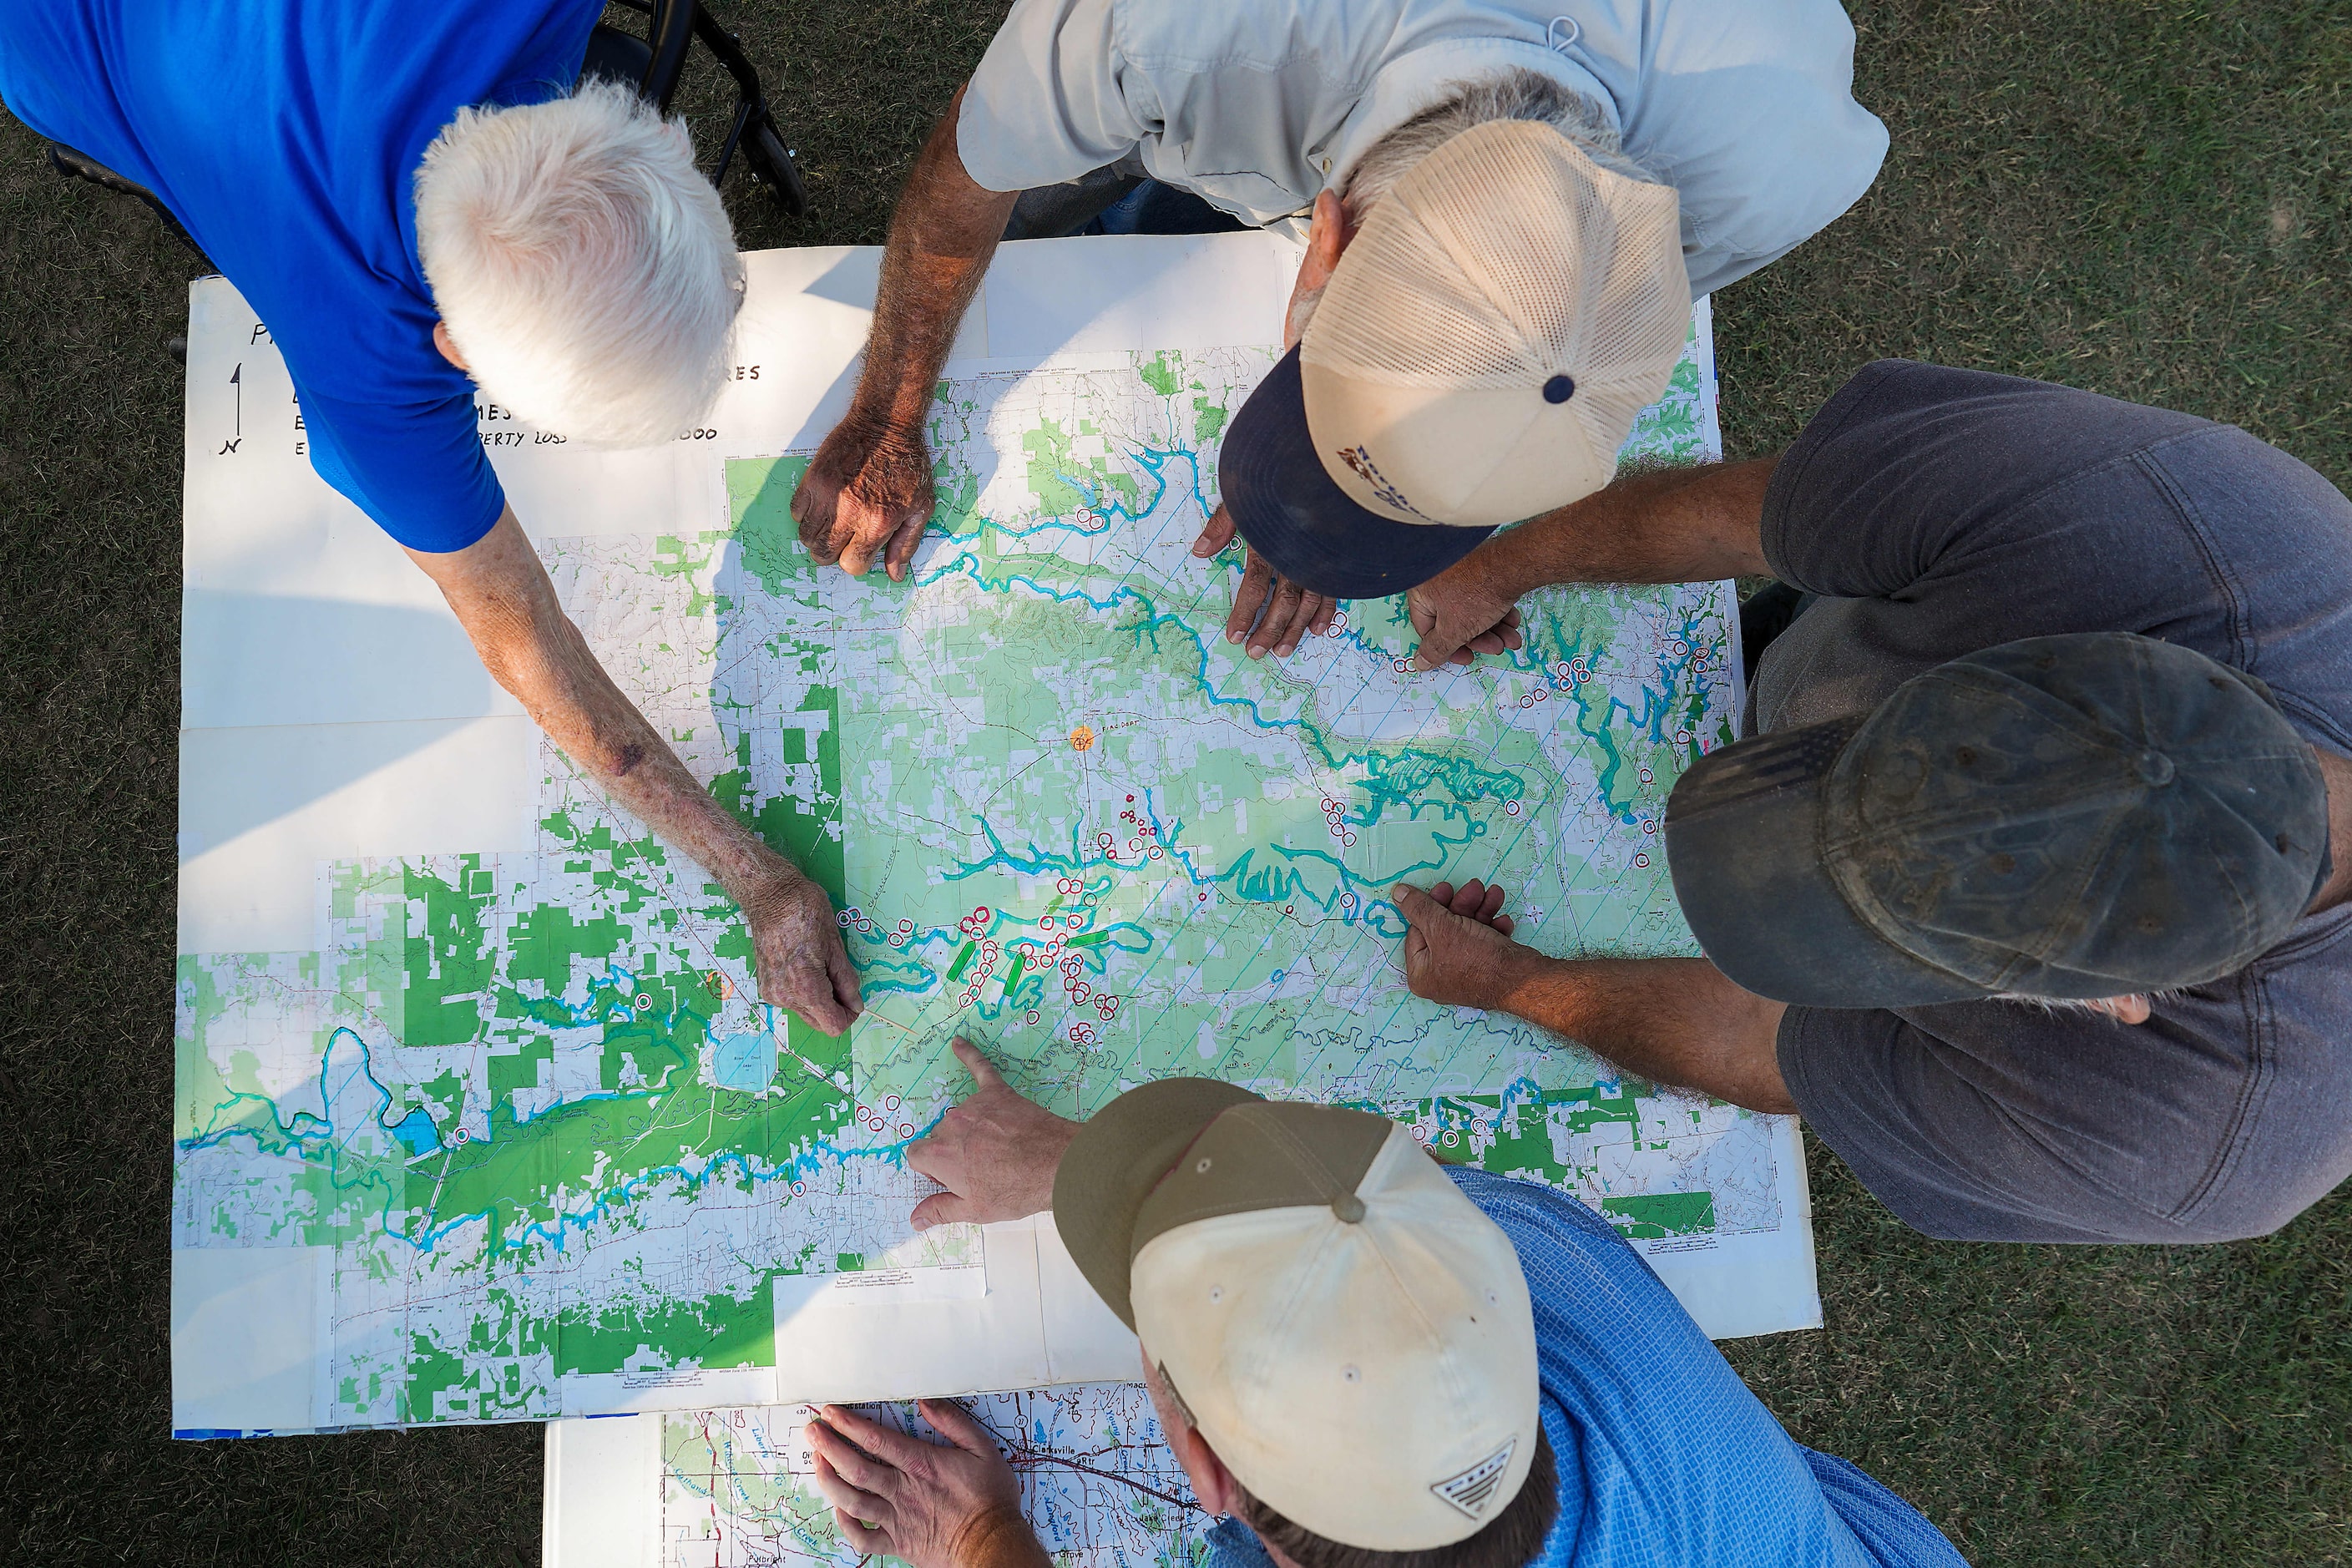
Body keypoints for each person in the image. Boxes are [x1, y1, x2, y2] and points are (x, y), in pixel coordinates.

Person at [0, 1, 861, 1033]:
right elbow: (525, 640)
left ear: (648, 136)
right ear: (455, 352)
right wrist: (754, 879)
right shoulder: (366, 362)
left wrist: (770, 888)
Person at [1390, 359, 2352, 1244]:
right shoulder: (2165, 516)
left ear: (2112, 1000)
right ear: (2054, 642)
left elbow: (1766, 1041)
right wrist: (1495, 567)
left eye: (1883, 921)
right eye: (1852, 759)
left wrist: (1511, 986)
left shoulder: (2192, 1139)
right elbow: (1747, 514)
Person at [790, 0, 1887, 663]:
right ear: (1328, 238)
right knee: (1061, 198)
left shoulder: (1780, 164)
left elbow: (1528, 355)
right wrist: (889, 411)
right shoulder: (1170, 35)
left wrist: (1349, 499)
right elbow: (965, 178)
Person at [799, 1040, 1968, 1568]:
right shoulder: (1538, 1248)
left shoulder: (1517, 1241)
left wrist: (974, 1538)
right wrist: (1078, 1164)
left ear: (1204, 1468)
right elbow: (1329, 1205)